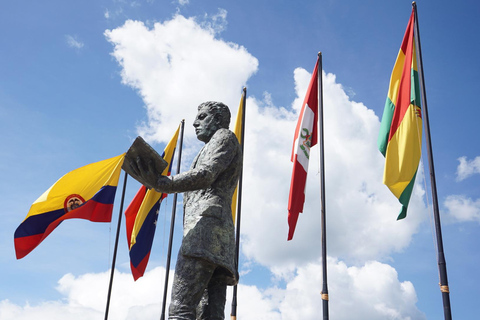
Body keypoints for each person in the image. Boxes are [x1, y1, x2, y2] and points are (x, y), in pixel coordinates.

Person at [131, 101, 242, 319]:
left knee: (180, 309)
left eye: (202, 117)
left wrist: (163, 183)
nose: (194, 122)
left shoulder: (223, 137)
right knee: (209, 313)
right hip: (217, 237)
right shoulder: (214, 144)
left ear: (218, 120)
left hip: (205, 231)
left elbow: (206, 174)